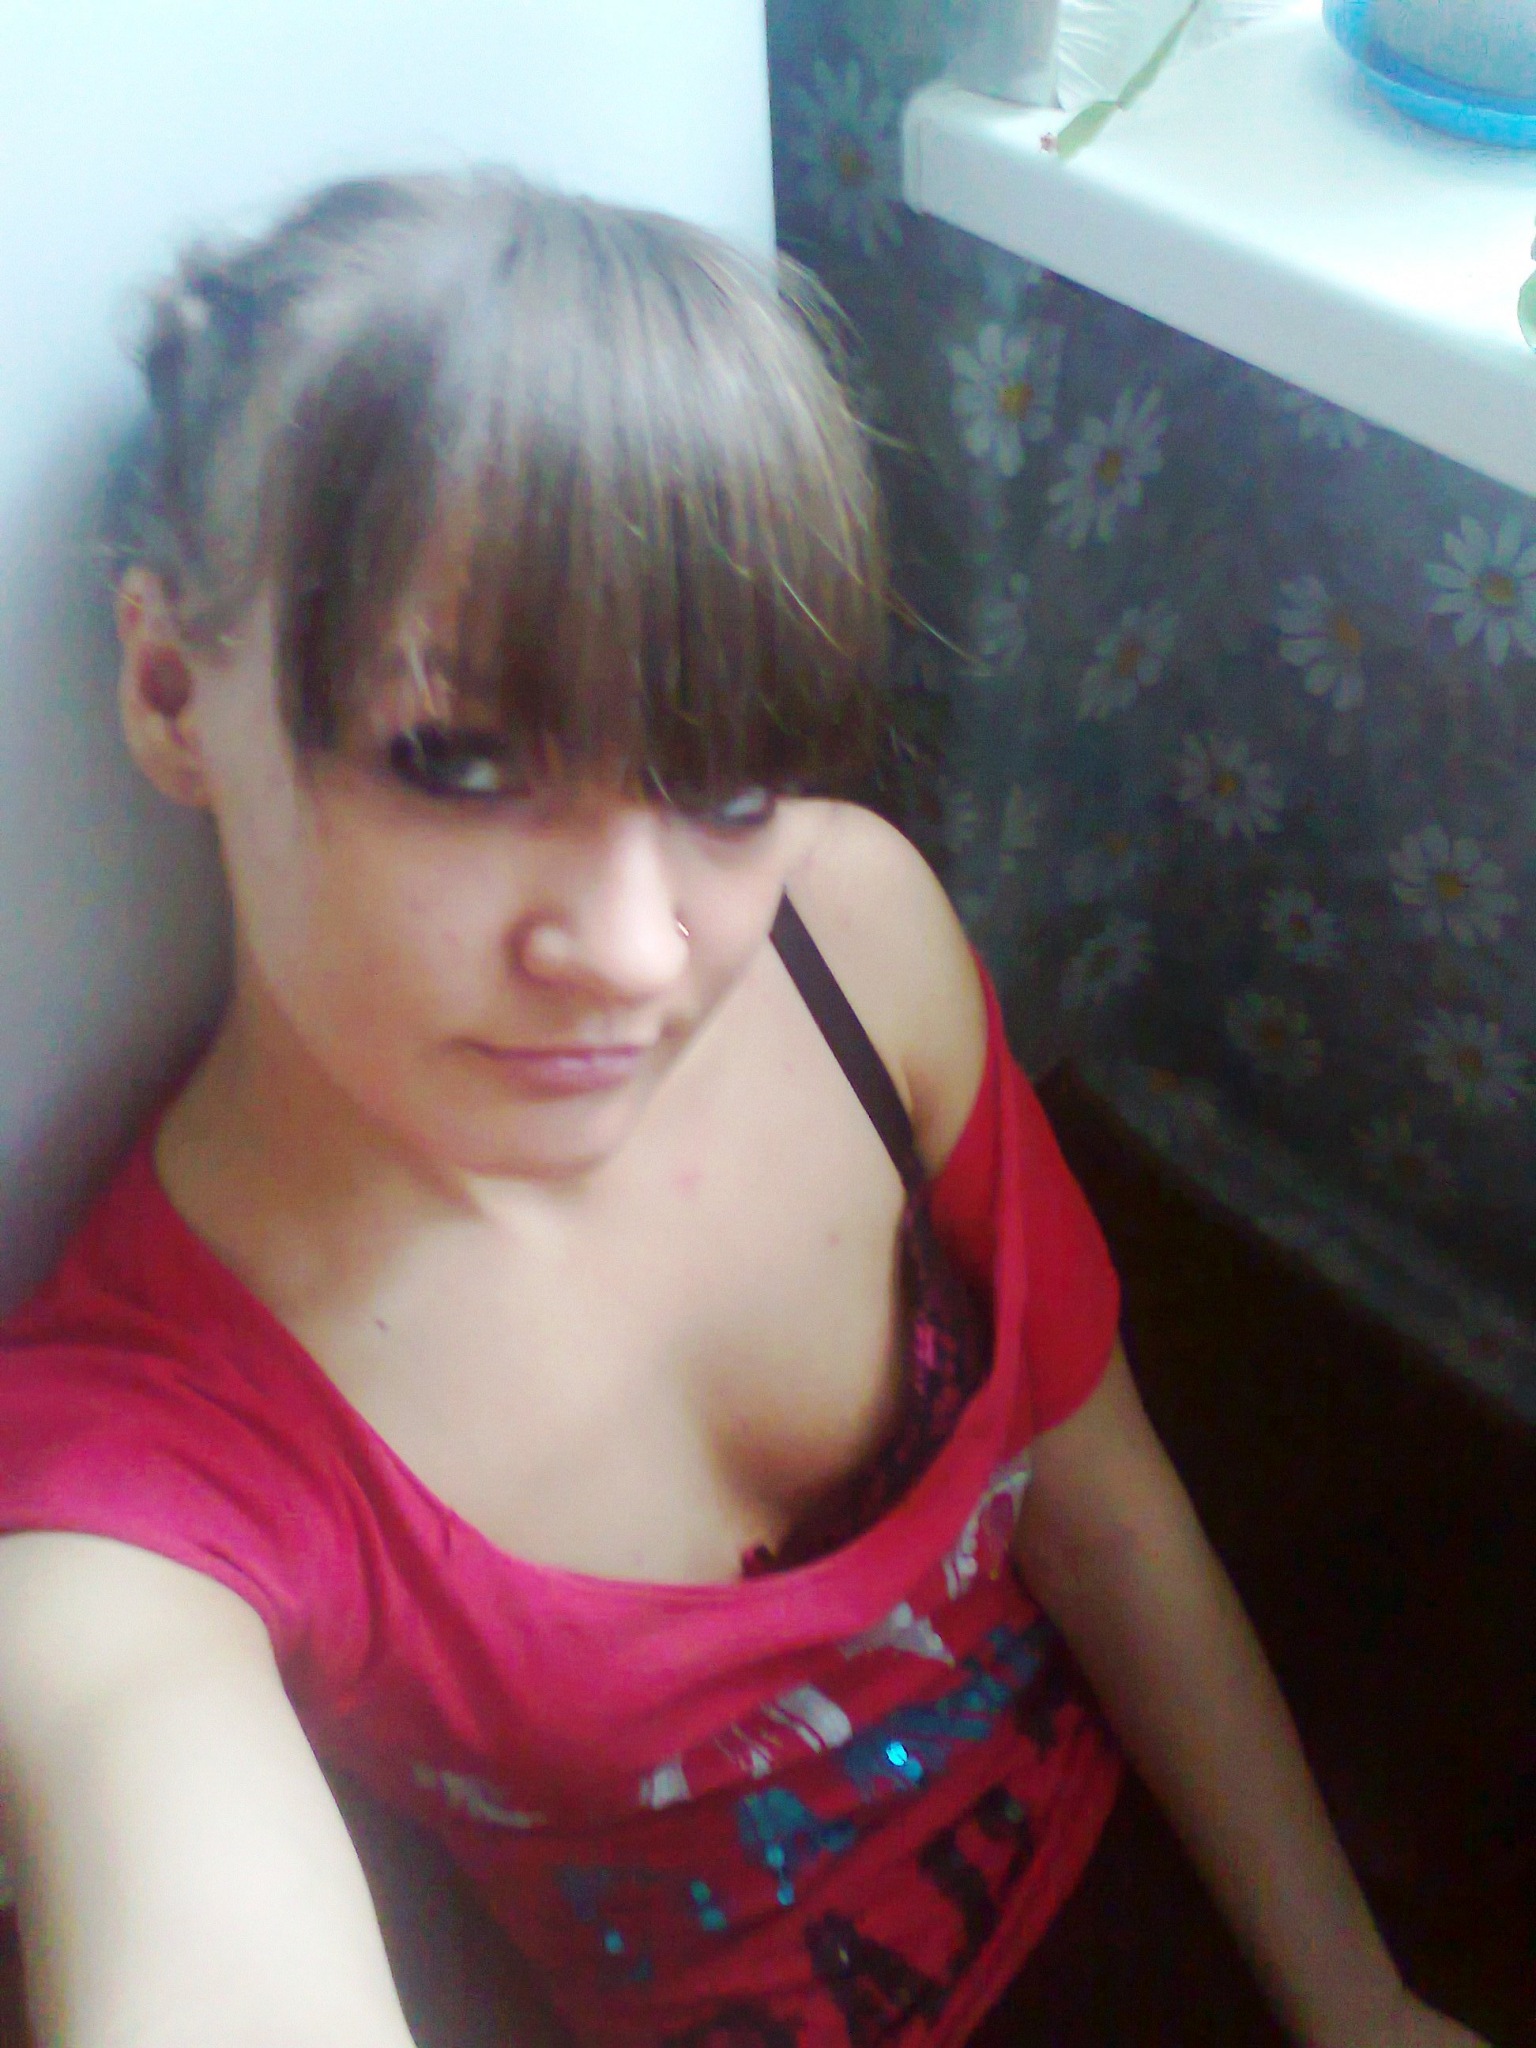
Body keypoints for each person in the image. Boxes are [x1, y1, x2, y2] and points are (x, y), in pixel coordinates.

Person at [0, 172, 1488, 2048]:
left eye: (722, 784)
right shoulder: (144, 1463)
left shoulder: (844, 938)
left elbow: (1100, 1508)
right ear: (167, 690)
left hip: (1154, 1858)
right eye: (455, 759)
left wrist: (1359, 2002)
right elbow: (154, 1821)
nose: (635, 952)